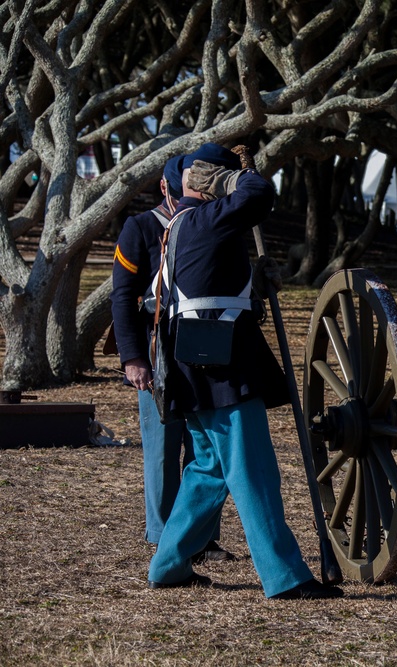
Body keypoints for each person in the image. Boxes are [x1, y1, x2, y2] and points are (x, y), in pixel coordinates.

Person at [146, 143, 341, 599]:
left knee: (208, 468)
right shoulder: (204, 219)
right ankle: (285, 578)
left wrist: (253, 284)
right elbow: (258, 195)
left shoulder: (184, 226)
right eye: (220, 181)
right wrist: (237, 176)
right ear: (209, 182)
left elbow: (208, 287)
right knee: (252, 469)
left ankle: (168, 565)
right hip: (219, 365)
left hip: (197, 358)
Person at [111, 155, 233, 562]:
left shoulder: (211, 222)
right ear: (166, 188)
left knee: (204, 449)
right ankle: (163, 537)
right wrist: (133, 358)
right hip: (157, 349)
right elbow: (124, 297)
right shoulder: (140, 227)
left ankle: (201, 535)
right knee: (164, 448)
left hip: (203, 347)